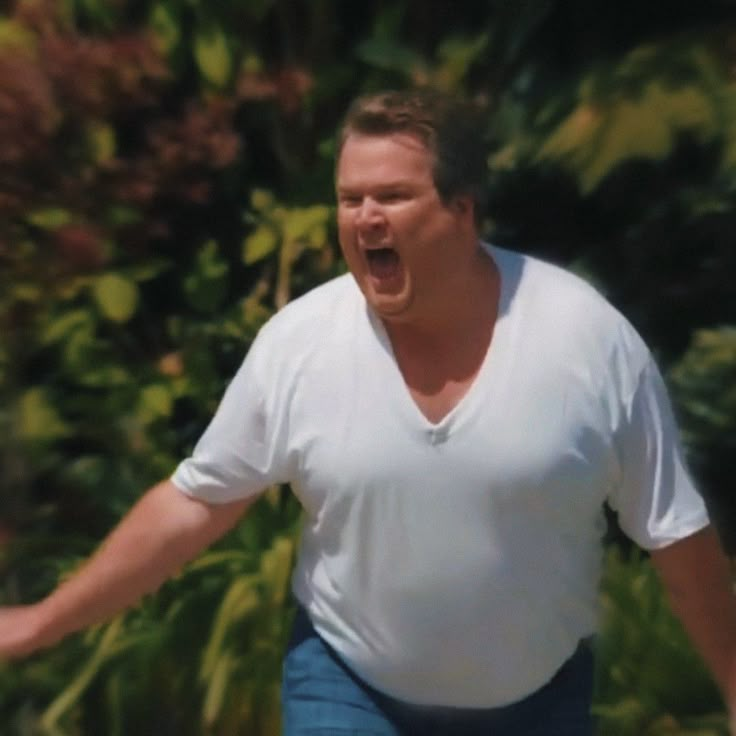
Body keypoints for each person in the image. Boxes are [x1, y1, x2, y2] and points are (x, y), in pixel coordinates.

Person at [1, 89, 735, 735]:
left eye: (392, 196)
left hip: (538, 700)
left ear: (461, 211)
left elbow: (675, 534)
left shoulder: (585, 341)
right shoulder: (302, 343)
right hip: (348, 686)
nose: (365, 217)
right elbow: (197, 503)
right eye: (350, 199)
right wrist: (43, 622)